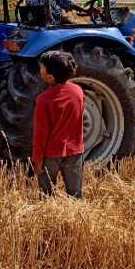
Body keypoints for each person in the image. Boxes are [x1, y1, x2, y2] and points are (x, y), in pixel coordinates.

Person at [32, 50, 86, 198]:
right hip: (75, 151)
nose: (39, 71)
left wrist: (37, 160)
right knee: (75, 196)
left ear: (50, 77)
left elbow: (40, 133)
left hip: (50, 155)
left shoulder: (43, 100)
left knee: (46, 195)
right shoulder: (78, 91)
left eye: (41, 68)